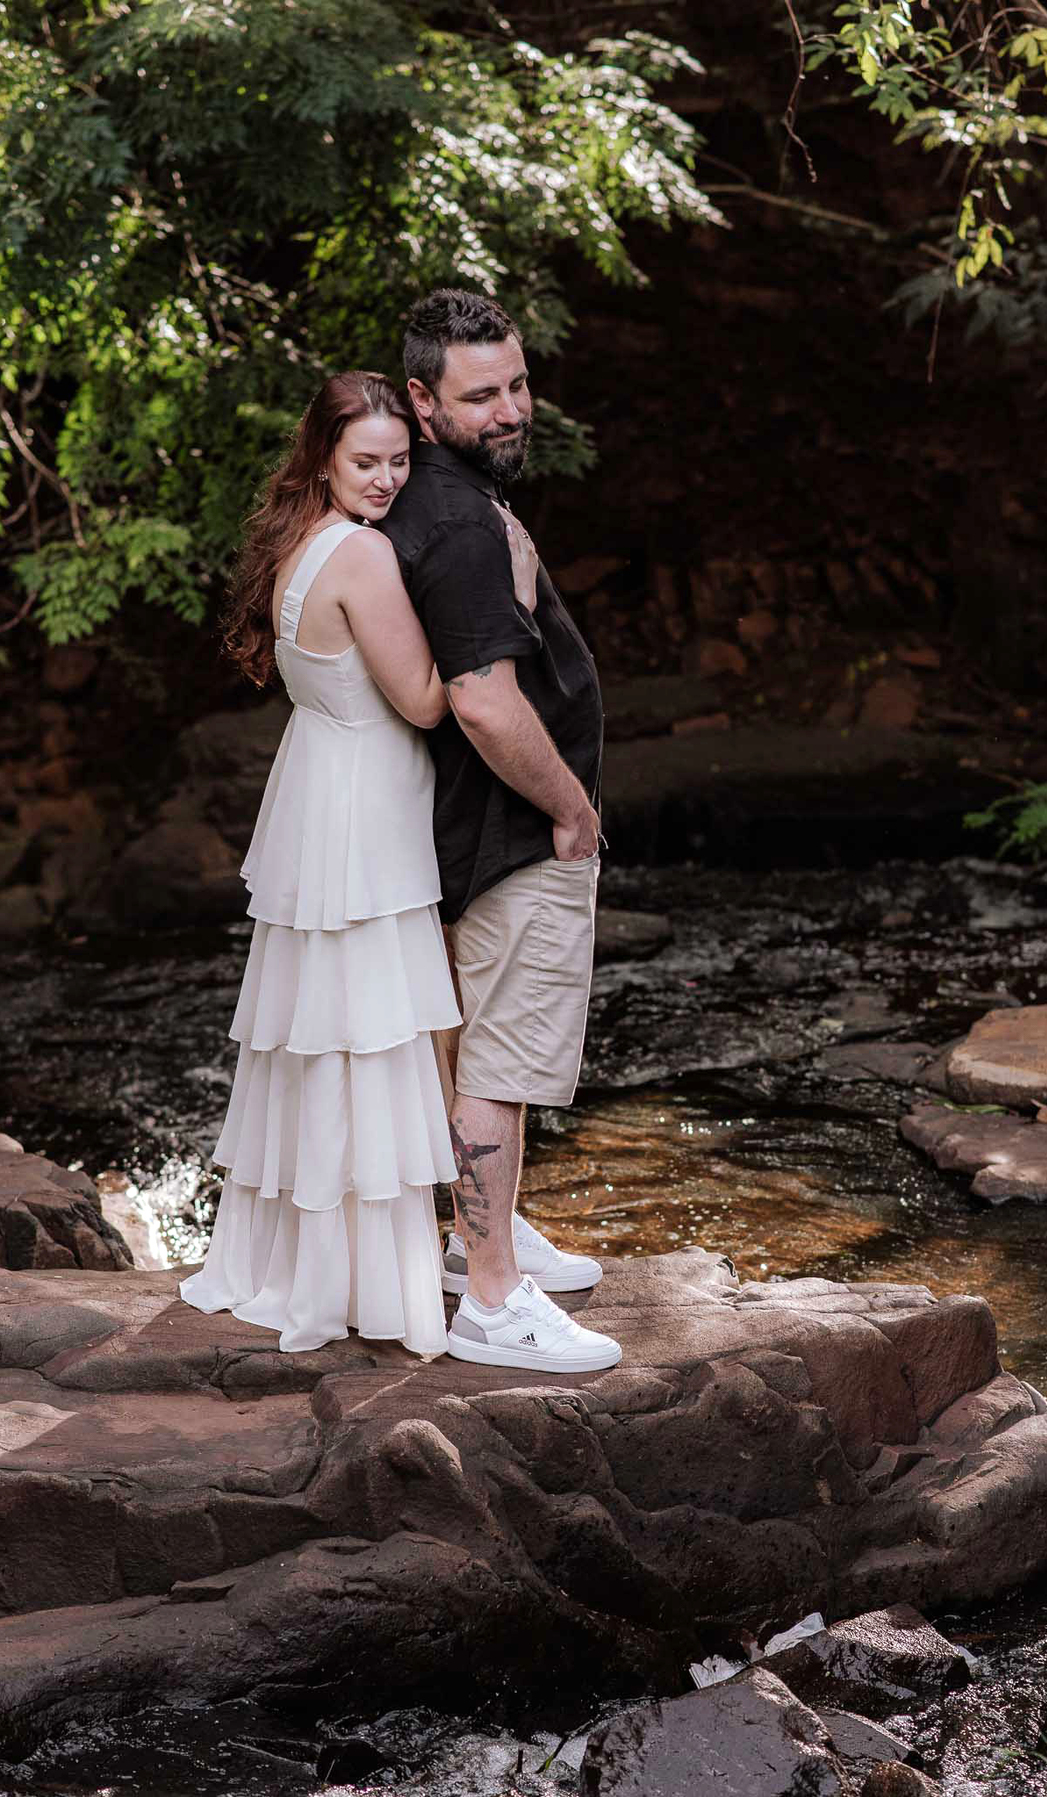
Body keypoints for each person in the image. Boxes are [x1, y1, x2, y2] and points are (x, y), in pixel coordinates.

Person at [177, 370, 536, 1358]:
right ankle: (376, 1281)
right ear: (324, 459)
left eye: (399, 461)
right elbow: (422, 699)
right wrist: (497, 598)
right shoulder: (366, 554)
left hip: (320, 790)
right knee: (369, 1033)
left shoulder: (302, 539)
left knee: (320, 1034)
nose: (385, 480)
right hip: (365, 805)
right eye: (365, 461)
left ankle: (317, 1262)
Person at [380, 289, 622, 1373]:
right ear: (424, 402)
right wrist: (571, 809)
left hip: (465, 838)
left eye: (518, 384)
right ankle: (489, 1298)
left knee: (466, 1046)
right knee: (500, 1063)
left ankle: (482, 1236)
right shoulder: (462, 525)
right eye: (482, 395)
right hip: (511, 838)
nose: (513, 409)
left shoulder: (436, 499)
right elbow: (481, 701)